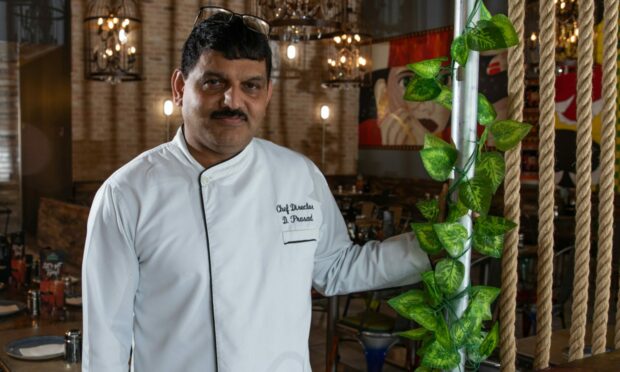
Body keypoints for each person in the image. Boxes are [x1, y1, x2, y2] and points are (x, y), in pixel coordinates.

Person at [82, 6, 430, 372]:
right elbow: (106, 336)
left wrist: (433, 249)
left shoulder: (299, 176)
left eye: (251, 85)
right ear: (181, 88)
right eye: (214, 82)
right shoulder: (127, 193)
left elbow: (336, 267)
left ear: (267, 95)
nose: (233, 101)